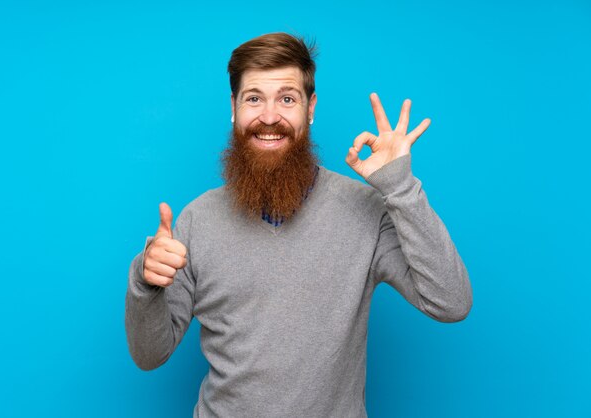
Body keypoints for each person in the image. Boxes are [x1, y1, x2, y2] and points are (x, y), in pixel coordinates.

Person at [125, 32, 472, 417]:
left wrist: (400, 188)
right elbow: (148, 355)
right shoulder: (196, 219)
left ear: (310, 108)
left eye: (287, 99)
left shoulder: (365, 210)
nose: (269, 117)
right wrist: (146, 281)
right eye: (253, 98)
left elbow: (451, 303)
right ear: (233, 108)